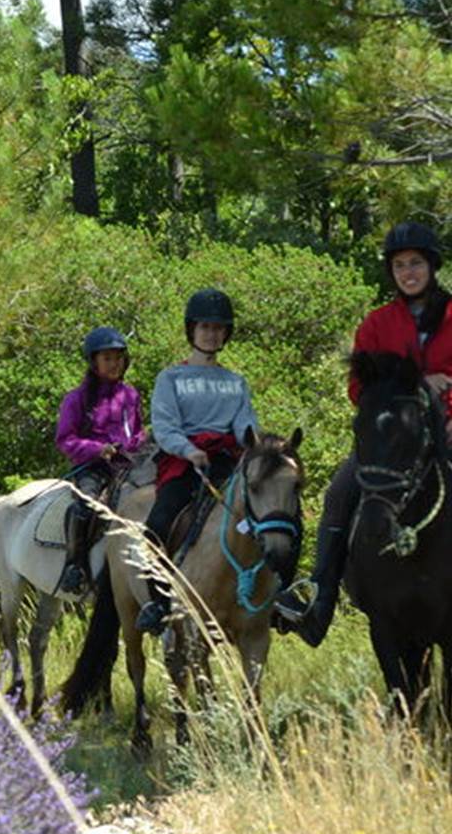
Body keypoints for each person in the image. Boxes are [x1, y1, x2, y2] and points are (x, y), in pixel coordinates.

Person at [274, 220, 452, 646]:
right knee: (339, 491)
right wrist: (418, 385)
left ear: (431, 266)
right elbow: (359, 387)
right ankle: (316, 599)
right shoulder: (376, 324)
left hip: (449, 428)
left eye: (415, 263)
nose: (408, 272)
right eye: (399, 265)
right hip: (395, 441)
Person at [135, 288, 260, 634]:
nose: (211, 333)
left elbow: (244, 422)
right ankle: (157, 601)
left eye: (219, 328)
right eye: (205, 327)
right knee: (157, 525)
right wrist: (188, 449)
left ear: (226, 334)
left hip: (227, 461)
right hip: (185, 462)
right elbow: (164, 425)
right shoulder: (170, 378)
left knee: (271, 516)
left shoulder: (236, 382)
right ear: (192, 329)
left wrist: (255, 444)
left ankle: (273, 597)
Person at [55, 326, 147, 593]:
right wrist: (98, 449)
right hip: (92, 467)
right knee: (86, 506)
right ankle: (75, 566)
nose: (114, 363)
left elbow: (137, 431)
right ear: (94, 362)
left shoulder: (130, 395)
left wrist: (141, 443)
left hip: (127, 464)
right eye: (107, 358)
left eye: (118, 357)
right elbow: (65, 439)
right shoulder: (77, 398)